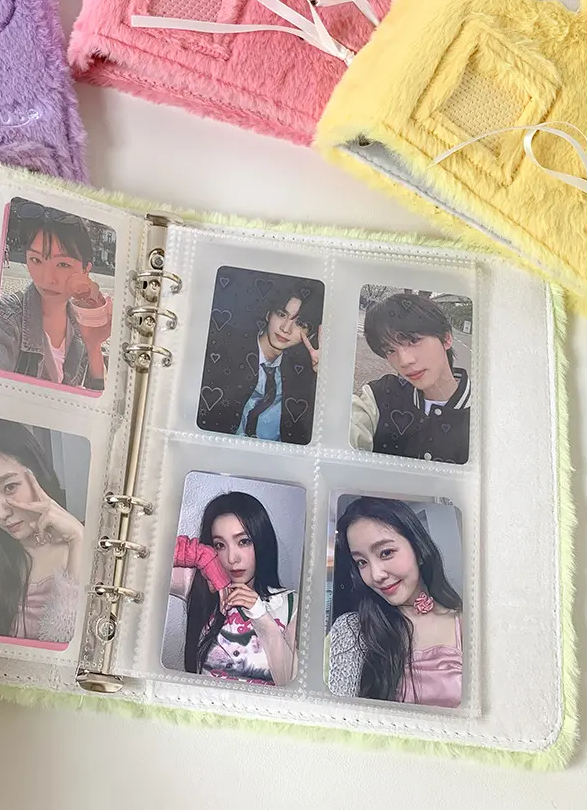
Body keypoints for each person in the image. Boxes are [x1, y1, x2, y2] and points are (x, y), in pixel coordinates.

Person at [0, 417, 84, 643]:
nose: (0, 512)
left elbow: (74, 645)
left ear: (38, 473)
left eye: (10, 487)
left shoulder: (89, 549)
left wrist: (78, 540)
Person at [327, 496, 463, 708]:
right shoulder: (353, 630)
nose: (376, 575)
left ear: (419, 549)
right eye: (361, 562)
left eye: (386, 553)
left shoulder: (467, 624)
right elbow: (338, 716)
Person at [170, 492, 298, 686]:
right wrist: (203, 557)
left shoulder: (291, 604)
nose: (232, 558)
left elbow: (290, 683)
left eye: (243, 541)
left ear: (261, 541)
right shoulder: (202, 586)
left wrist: (260, 614)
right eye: (219, 545)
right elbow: (142, 557)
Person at [0, 201, 112, 391]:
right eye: (36, 260)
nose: (48, 279)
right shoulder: (6, 320)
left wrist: (94, 346)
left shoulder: (81, 325)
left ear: (85, 270)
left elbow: (99, 393)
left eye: (63, 264)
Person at [350, 292, 471, 463]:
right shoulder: (380, 396)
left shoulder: (488, 415)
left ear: (446, 338)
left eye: (413, 341)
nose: (404, 361)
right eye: (390, 350)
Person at [197, 282, 320, 444]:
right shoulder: (222, 351)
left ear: (309, 334)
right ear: (269, 314)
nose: (286, 329)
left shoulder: (302, 373)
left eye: (299, 324)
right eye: (281, 314)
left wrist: (320, 377)